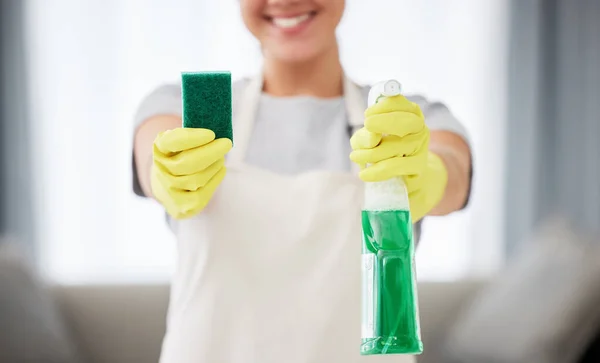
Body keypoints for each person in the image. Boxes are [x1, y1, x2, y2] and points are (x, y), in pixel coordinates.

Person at [132, 0, 472, 362]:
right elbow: (152, 152)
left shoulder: (405, 117)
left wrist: (426, 177)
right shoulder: (190, 110)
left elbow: (454, 172)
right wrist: (168, 174)